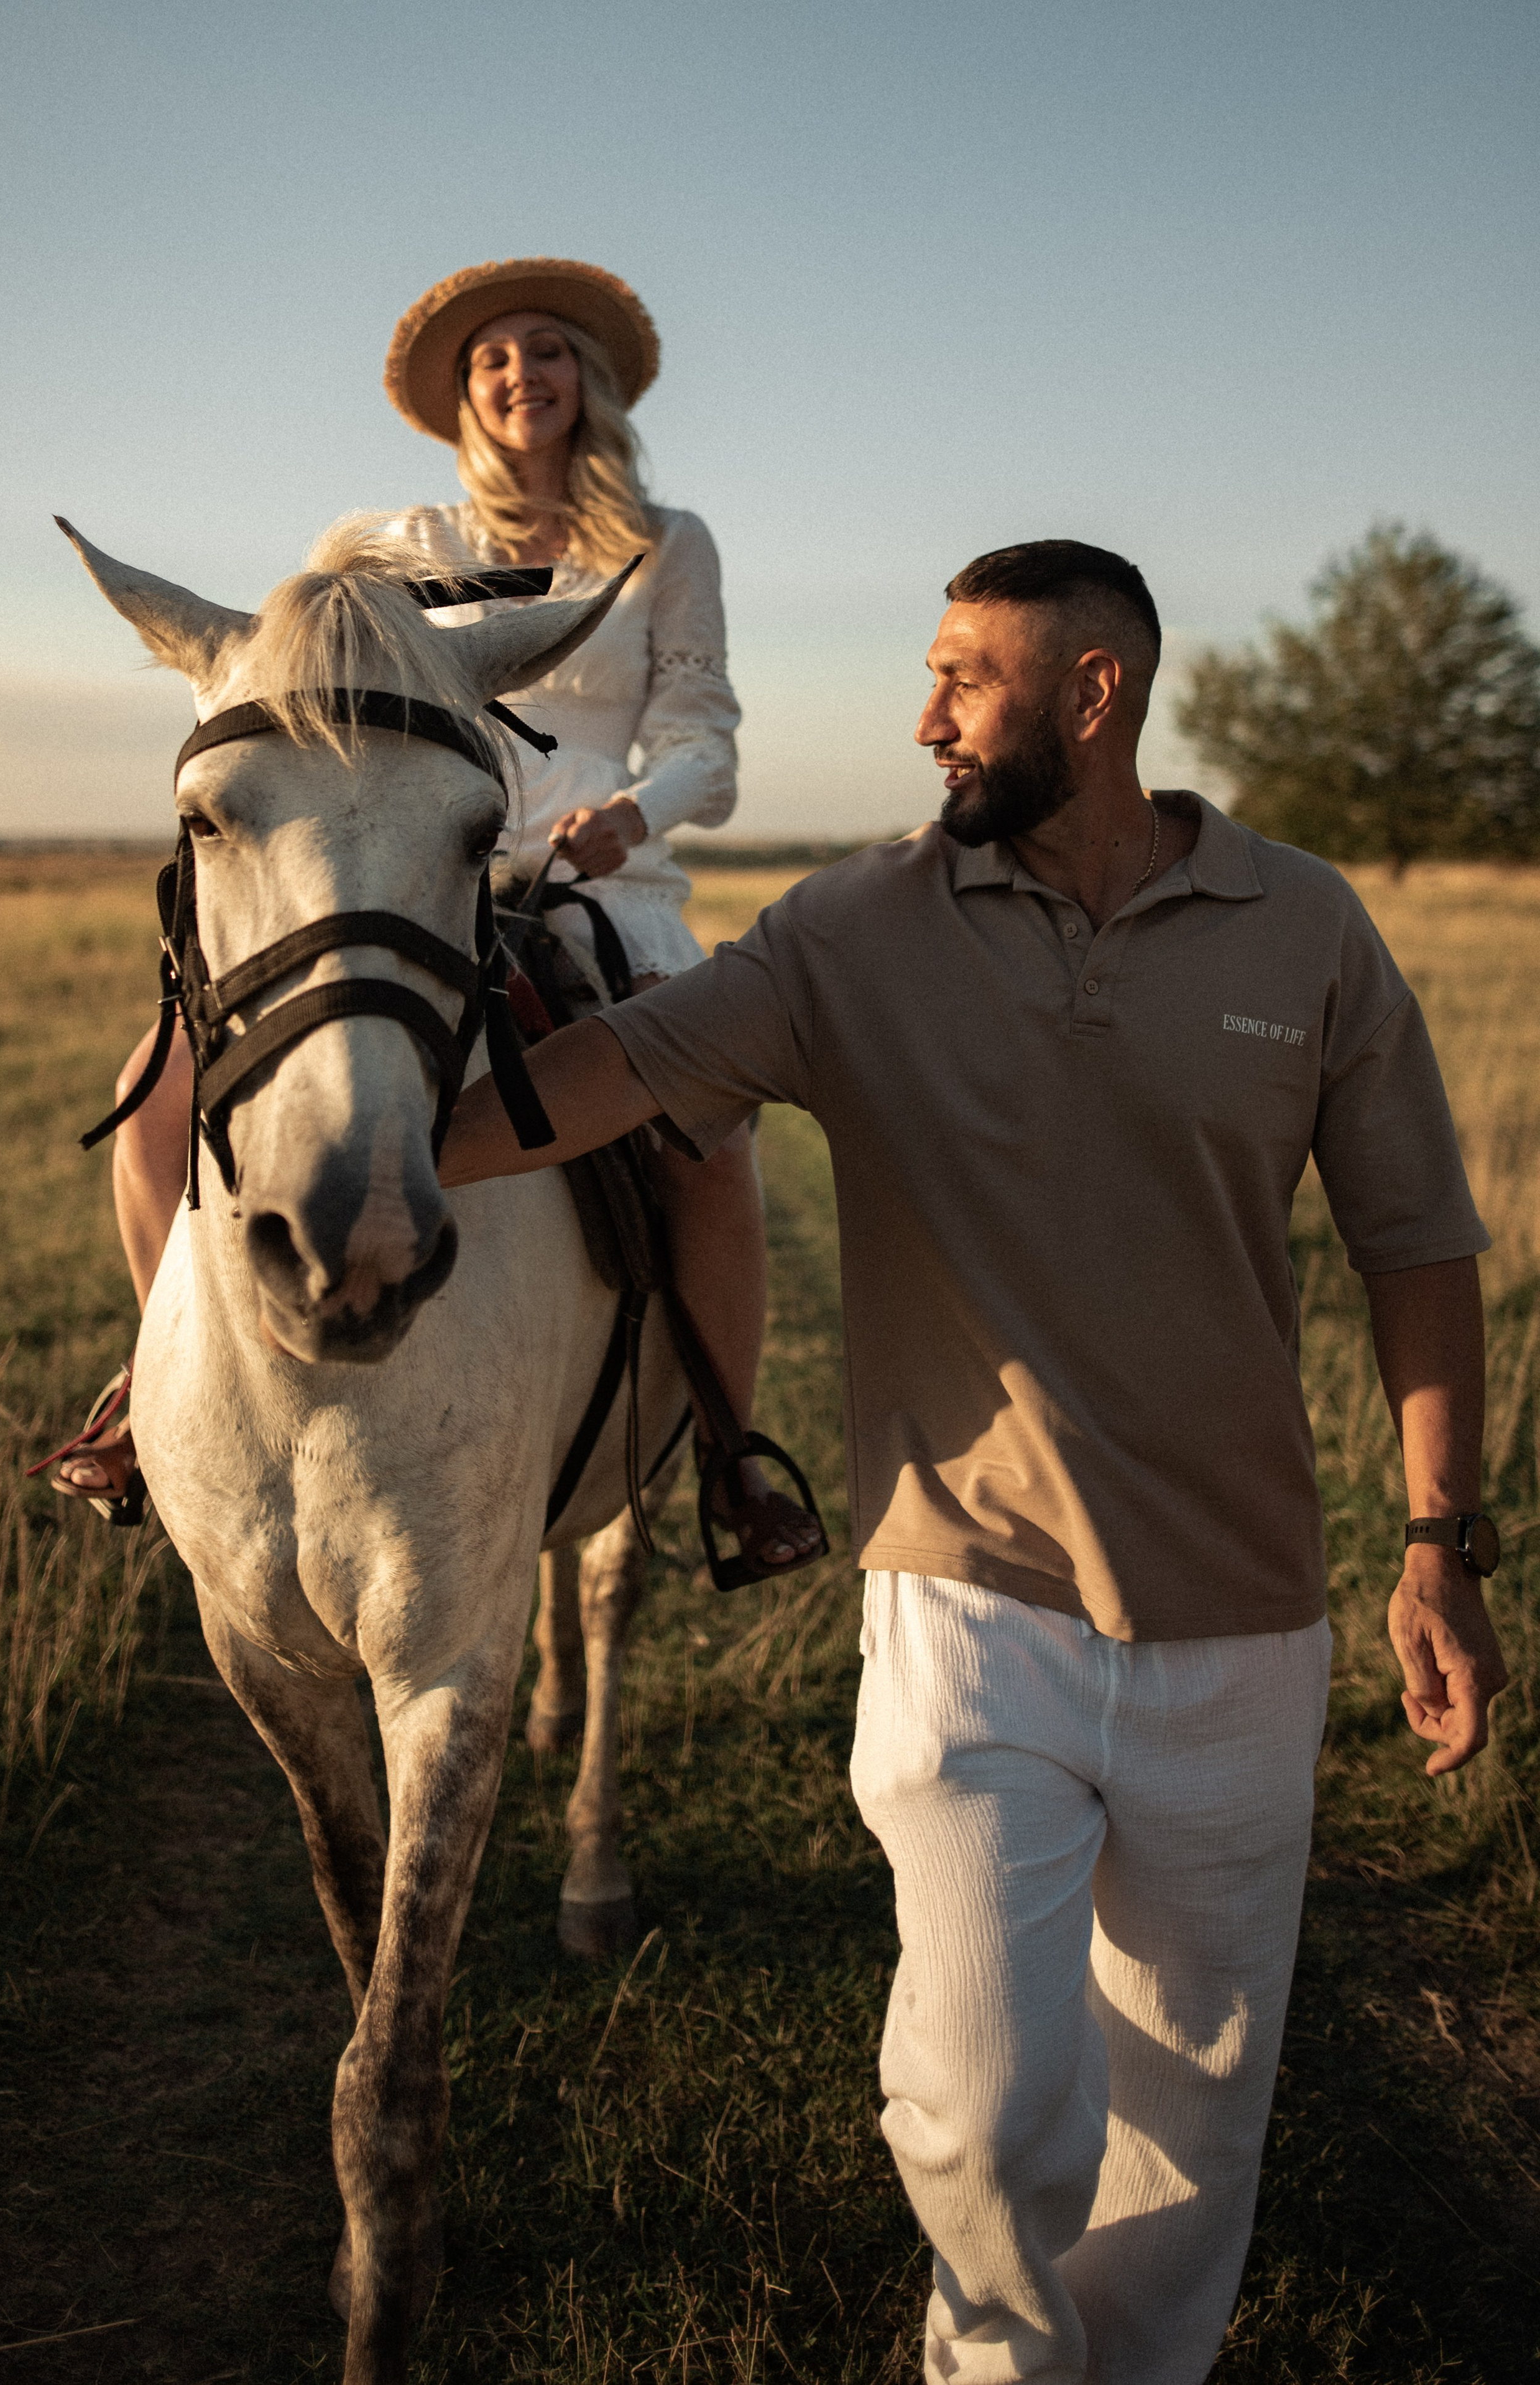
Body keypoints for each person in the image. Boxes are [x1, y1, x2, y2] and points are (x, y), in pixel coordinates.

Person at [425, 538, 1510, 2384]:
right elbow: (610, 1075)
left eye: (963, 677)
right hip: (967, 1609)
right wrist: (349, 1150)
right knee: (982, 2100)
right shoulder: (855, 931)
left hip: (1242, 1624)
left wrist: (1437, 1542)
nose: (923, 715)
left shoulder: (1304, 927)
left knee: (1194, 2107)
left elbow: (1416, 1246)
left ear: (1093, 694)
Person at [47, 255, 822, 1578]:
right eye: (492, 359)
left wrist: (633, 812)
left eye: (547, 349)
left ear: (587, 378)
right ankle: (152, 1393)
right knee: (154, 1094)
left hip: (601, 885)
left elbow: (706, 739)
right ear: (465, 397)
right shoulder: (398, 543)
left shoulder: (669, 542)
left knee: (707, 1132)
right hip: (413, 878)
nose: (522, 375)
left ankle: (727, 1456)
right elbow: (307, 702)